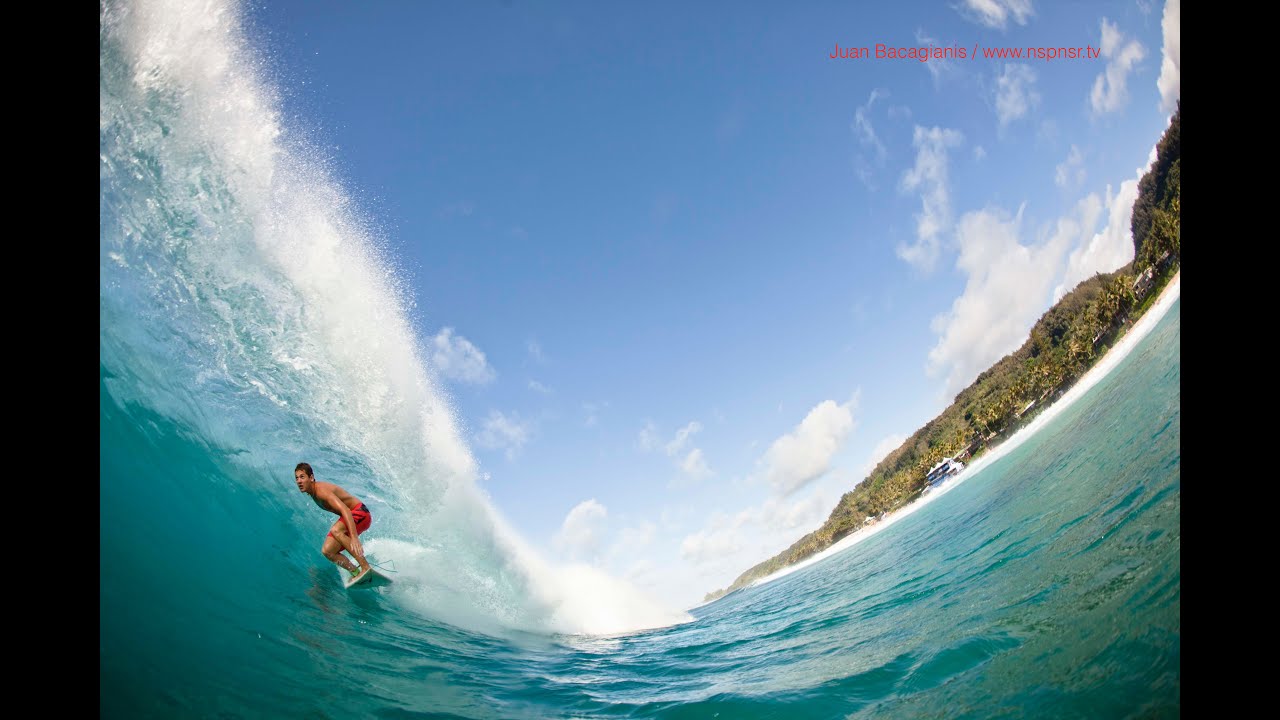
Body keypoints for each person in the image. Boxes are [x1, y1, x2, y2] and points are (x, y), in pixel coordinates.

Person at [294, 462, 373, 580]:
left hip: (361, 513)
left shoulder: (321, 491)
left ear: (311, 478)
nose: (299, 481)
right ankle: (355, 572)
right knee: (328, 551)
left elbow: (345, 510)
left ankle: (365, 567)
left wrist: (354, 537)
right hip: (354, 517)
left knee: (336, 530)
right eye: (296, 478)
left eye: (302, 477)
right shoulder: (314, 493)